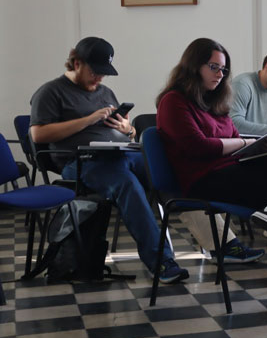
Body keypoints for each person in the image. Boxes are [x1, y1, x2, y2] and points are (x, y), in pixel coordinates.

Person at [155, 38, 267, 299]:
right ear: (194, 66)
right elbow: (198, 147)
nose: (220, 75)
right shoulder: (173, 101)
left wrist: (253, 147)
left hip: (232, 173)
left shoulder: (215, 103)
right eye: (214, 67)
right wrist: (245, 142)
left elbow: (228, 140)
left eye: (224, 69)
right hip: (201, 181)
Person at [29, 37, 188, 283]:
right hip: (82, 162)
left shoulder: (105, 91)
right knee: (128, 186)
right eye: (95, 72)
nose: (100, 78)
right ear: (76, 63)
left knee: (173, 173)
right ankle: (162, 262)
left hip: (121, 153)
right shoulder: (51, 91)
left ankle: (223, 242)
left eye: (104, 73)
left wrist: (128, 129)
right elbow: (39, 134)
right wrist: (89, 119)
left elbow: (127, 130)